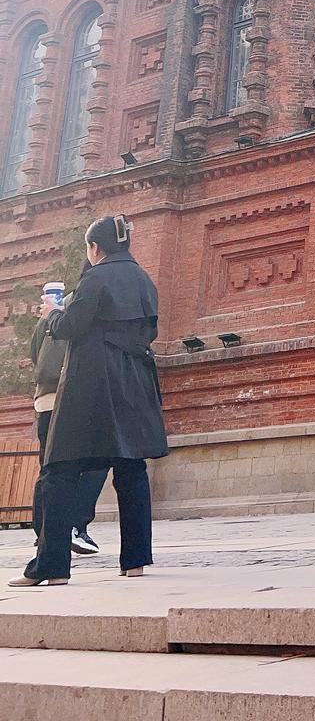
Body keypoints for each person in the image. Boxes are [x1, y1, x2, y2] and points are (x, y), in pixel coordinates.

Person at [8, 215, 168, 587]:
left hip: (91, 386)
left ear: (95, 248)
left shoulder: (95, 277)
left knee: (59, 470)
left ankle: (52, 567)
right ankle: (136, 561)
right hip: (135, 384)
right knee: (131, 469)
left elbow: (70, 328)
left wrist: (52, 316)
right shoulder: (145, 281)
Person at [28, 274, 109, 557]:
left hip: (44, 400)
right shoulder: (80, 316)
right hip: (70, 400)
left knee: (49, 468)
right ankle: (75, 526)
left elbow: (34, 355)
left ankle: (45, 534)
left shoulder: (44, 319)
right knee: (93, 463)